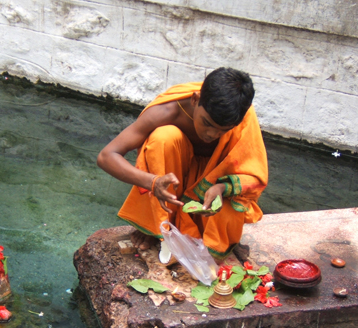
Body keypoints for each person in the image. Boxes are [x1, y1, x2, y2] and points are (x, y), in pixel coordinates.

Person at [97, 67, 268, 261]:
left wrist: (222, 187)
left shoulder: (241, 116)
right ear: (195, 99)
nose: (211, 134)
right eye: (207, 123)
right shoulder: (167, 111)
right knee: (163, 138)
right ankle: (159, 225)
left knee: (226, 223)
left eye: (223, 130)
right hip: (172, 183)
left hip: (211, 191)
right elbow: (106, 156)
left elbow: (254, 174)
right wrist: (153, 182)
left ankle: (196, 233)